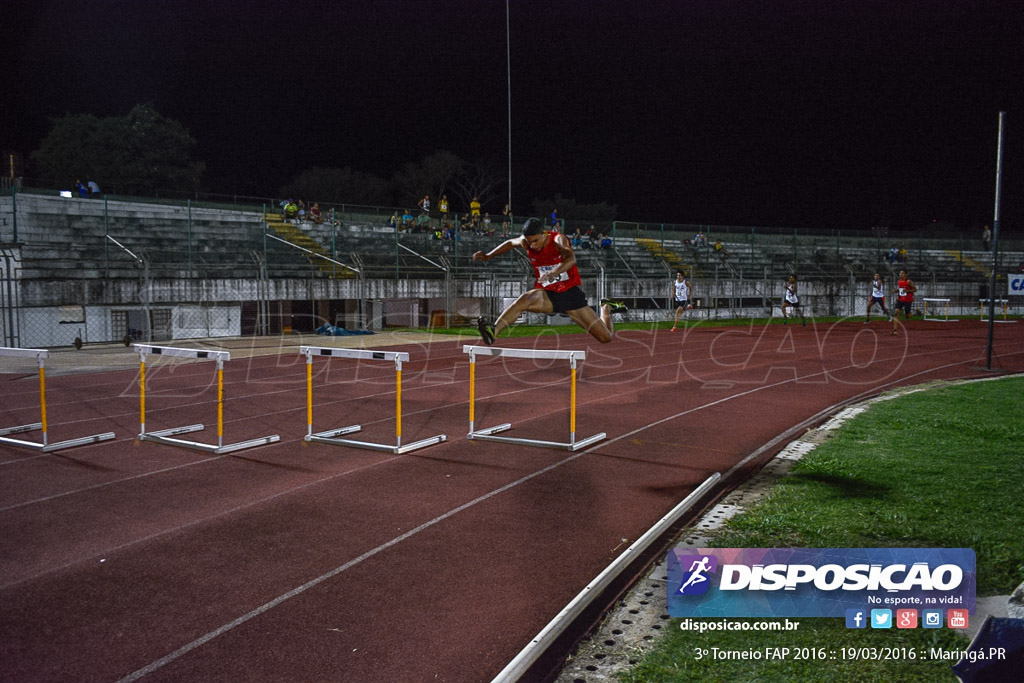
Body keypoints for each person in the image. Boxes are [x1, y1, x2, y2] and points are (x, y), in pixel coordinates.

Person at [472, 217, 627, 345]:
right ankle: (493, 331)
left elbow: (571, 259)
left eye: (536, 241)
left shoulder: (558, 240)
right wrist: (488, 255)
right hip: (548, 294)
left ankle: (606, 307)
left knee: (605, 338)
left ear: (544, 234)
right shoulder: (526, 242)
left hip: (569, 294)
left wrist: (554, 272)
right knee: (524, 300)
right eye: (529, 241)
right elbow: (510, 243)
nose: (533, 245)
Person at [891, 269, 917, 336]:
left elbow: (915, 289)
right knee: (896, 312)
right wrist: (895, 291)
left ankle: (914, 314)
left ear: (905, 274)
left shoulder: (909, 281)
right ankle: (895, 330)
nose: (900, 275)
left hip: (908, 300)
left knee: (907, 315)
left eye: (902, 273)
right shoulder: (899, 281)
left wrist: (907, 291)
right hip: (900, 299)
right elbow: (900, 290)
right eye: (900, 273)